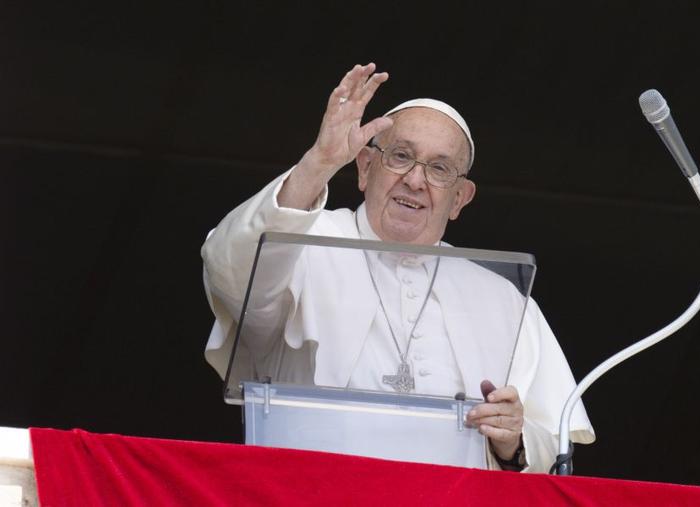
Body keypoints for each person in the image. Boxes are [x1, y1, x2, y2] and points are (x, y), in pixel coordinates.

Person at [201, 63, 594, 472]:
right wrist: (318, 163)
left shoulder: (502, 298)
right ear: (366, 167)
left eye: (440, 169)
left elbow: (555, 442)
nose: (415, 180)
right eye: (401, 156)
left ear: (460, 198)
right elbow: (230, 270)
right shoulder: (301, 242)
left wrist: (513, 441)